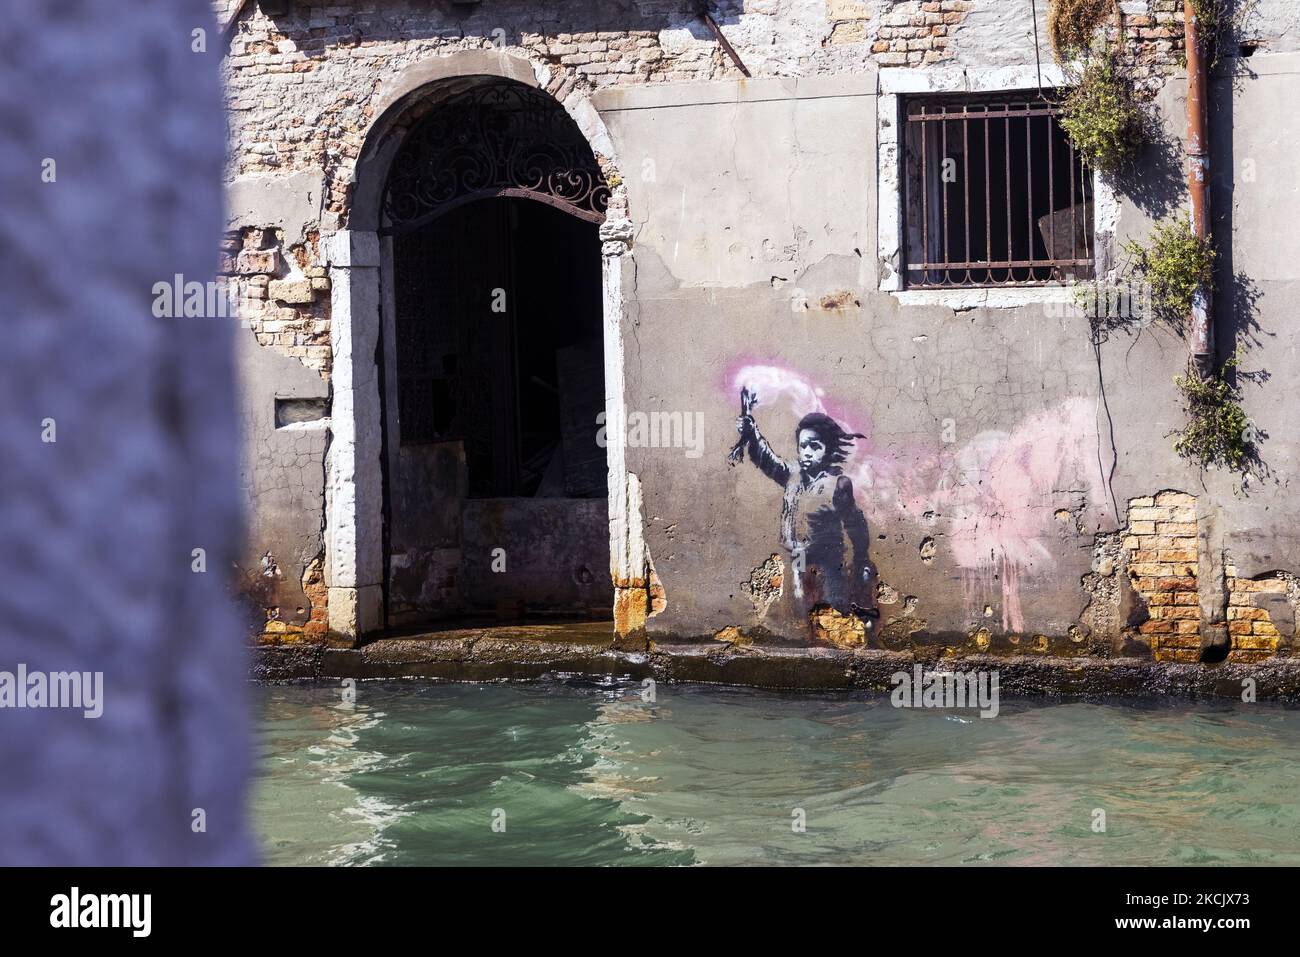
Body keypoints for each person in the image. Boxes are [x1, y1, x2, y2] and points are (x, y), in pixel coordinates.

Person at [735, 404, 878, 626]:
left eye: (814, 446)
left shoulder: (837, 484)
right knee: (802, 604)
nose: (807, 452)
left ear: (828, 449)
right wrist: (752, 433)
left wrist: (861, 557)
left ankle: (837, 647)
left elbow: (854, 522)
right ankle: (811, 638)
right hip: (799, 554)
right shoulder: (793, 474)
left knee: (833, 606)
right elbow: (768, 461)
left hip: (830, 559)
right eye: (803, 446)